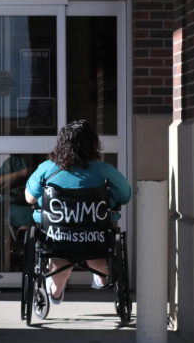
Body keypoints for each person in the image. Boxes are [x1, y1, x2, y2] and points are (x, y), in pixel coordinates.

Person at [24, 120, 131, 304]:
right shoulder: (106, 171)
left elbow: (30, 199)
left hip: (57, 237)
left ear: (62, 144)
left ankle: (55, 293)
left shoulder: (47, 169)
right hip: (95, 236)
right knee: (98, 252)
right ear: (93, 144)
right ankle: (101, 276)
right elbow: (125, 197)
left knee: (59, 262)